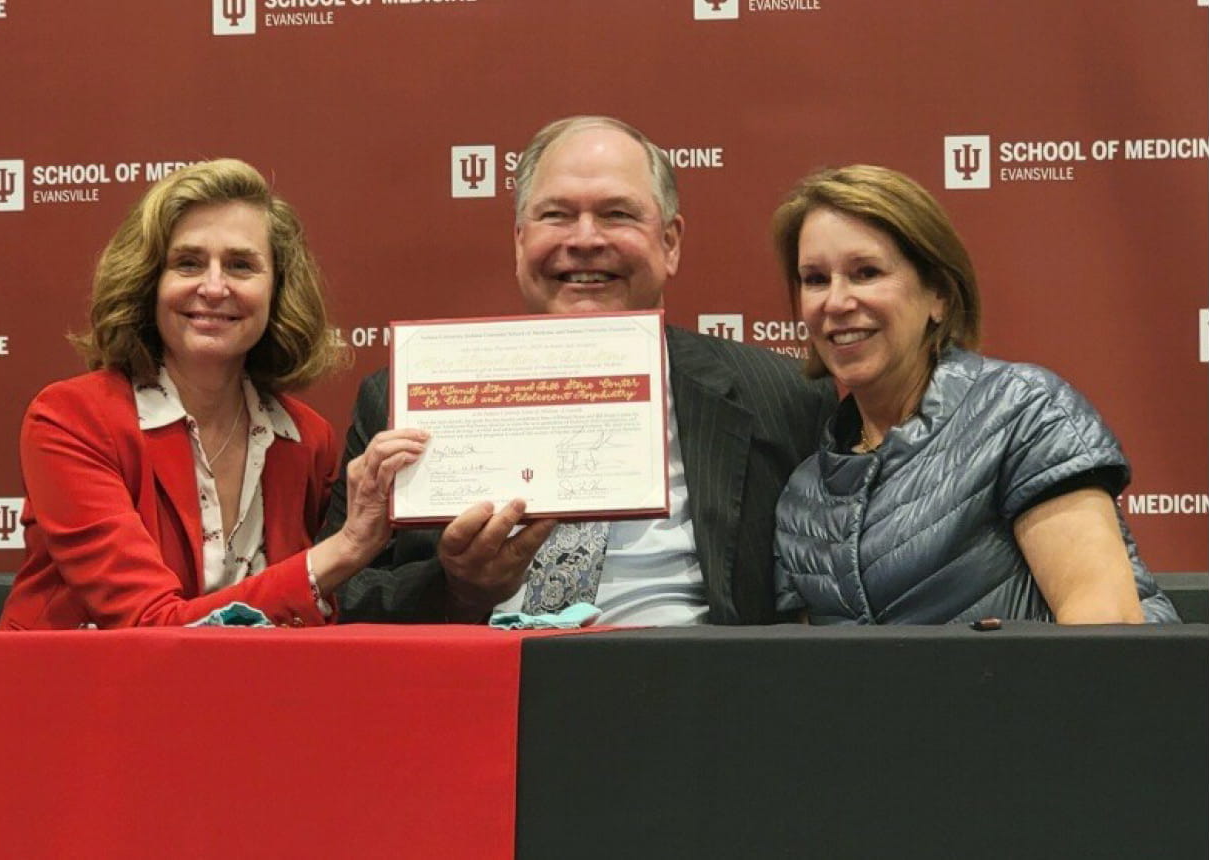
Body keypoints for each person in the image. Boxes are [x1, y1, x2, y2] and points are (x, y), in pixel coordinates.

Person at [323, 116, 835, 625]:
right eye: (557, 215)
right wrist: (460, 590)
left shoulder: (779, 396)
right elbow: (338, 596)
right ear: (520, 242)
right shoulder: (402, 400)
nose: (586, 239)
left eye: (616, 214)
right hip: (485, 690)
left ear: (671, 243)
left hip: (694, 689)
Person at [0, 159, 427, 630]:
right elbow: (150, 627)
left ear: (278, 290)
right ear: (148, 281)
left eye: (241, 266)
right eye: (188, 263)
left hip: (251, 698)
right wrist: (345, 548)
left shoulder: (306, 439)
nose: (215, 287)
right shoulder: (72, 419)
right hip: (78, 696)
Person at [770, 164, 1177, 624]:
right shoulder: (802, 497)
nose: (837, 302)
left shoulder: (1021, 413)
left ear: (938, 294)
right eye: (815, 279)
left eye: (866, 273)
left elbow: (1105, 627)